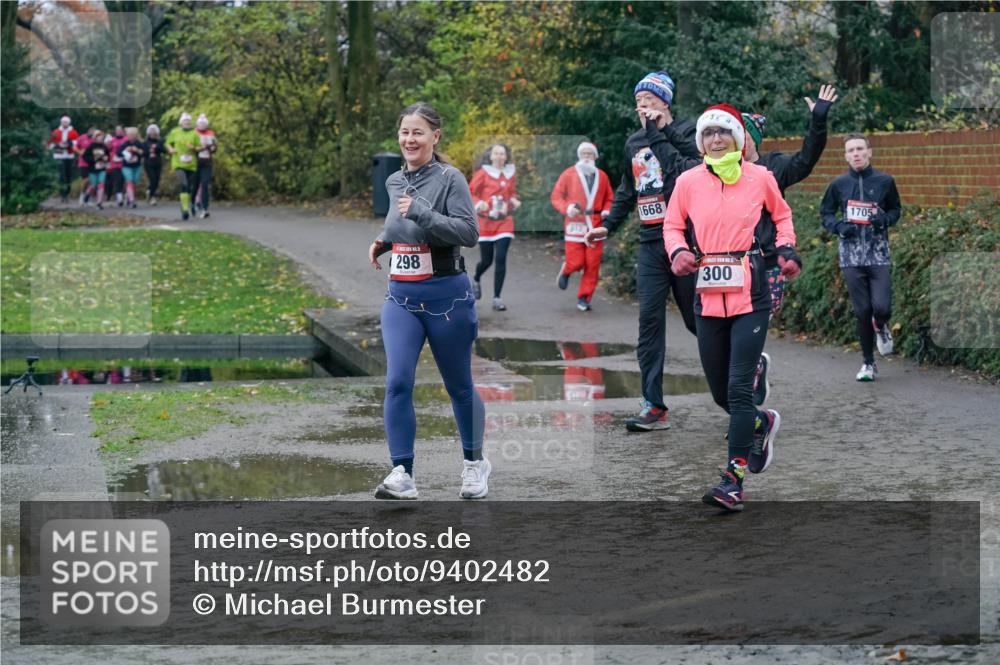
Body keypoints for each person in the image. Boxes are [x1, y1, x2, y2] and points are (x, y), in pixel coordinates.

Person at [663, 103, 801, 512]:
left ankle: (733, 480)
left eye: (724, 132)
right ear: (701, 141)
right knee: (721, 392)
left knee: (739, 389)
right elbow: (672, 225)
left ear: (738, 138)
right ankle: (762, 421)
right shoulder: (688, 182)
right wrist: (678, 252)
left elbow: (782, 217)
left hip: (750, 289)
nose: (716, 139)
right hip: (706, 291)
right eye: (709, 133)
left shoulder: (760, 178)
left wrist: (786, 250)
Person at [366, 102, 488, 500]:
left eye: (418, 132)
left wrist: (421, 212)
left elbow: (468, 232)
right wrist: (385, 241)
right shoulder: (394, 180)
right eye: (404, 132)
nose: (409, 140)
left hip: (447, 297)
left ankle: (474, 464)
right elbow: (401, 224)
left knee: (459, 387)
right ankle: (402, 472)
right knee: (398, 381)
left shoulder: (451, 179)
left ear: (435, 136)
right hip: (401, 296)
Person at [583, 70, 700, 431]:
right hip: (650, 244)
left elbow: (689, 173)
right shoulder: (634, 142)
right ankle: (654, 404)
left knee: (699, 322)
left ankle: (744, 374)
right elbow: (626, 188)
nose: (642, 105)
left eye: (648, 99)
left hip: (685, 241)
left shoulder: (687, 135)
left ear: (664, 101)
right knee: (649, 322)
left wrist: (659, 131)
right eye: (637, 100)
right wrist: (608, 224)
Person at [742, 84, 838, 405]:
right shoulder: (717, 173)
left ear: (751, 139)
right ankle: (750, 378)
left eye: (738, 132)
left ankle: (750, 392)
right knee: (733, 335)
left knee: (754, 326)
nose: (727, 139)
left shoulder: (775, 166)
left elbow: (807, 159)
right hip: (732, 264)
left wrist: (818, 121)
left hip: (769, 263)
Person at [821, 133, 902, 381]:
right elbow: (826, 213)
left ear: (869, 152)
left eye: (859, 149)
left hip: (878, 254)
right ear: (845, 156)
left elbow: (896, 209)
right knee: (862, 310)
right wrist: (838, 227)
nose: (855, 154)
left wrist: (885, 219)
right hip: (851, 257)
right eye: (851, 150)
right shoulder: (838, 185)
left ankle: (882, 325)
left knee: (882, 307)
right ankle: (868, 363)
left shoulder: (885, 181)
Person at [551, 141, 614, 311]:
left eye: (590, 154)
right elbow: (556, 197)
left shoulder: (602, 176)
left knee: (592, 264)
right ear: (579, 156)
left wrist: (607, 211)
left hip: (595, 225)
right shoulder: (568, 174)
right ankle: (567, 269)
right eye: (584, 154)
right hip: (575, 223)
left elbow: (610, 197)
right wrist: (567, 208)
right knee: (577, 261)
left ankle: (584, 297)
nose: (587, 157)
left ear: (595, 156)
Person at [470, 144, 520, 311]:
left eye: (502, 154)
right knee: (487, 260)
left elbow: (512, 193)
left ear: (506, 157)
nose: (499, 156)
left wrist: (513, 201)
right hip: (486, 221)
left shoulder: (510, 174)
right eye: (496, 154)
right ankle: (476, 278)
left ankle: (497, 298)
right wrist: (480, 203)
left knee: (500, 258)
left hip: (504, 222)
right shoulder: (483, 173)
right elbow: (471, 193)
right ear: (490, 156)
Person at [165, 113, 199, 221]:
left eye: (188, 121)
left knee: (189, 187)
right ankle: (185, 209)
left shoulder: (195, 133)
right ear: (181, 123)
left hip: (191, 164)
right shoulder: (175, 132)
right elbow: (167, 143)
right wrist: (170, 149)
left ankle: (185, 205)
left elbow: (200, 147)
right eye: (185, 121)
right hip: (178, 163)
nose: (187, 123)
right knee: (184, 184)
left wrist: (193, 147)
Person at [48, 116, 79, 203]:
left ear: (69, 123)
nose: (64, 124)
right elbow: (50, 143)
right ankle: (63, 194)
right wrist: (58, 145)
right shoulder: (56, 132)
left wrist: (69, 143)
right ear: (61, 123)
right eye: (63, 122)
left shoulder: (73, 132)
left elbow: (76, 142)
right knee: (62, 176)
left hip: (69, 156)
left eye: (66, 122)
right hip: (59, 156)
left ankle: (67, 192)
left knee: (68, 175)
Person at [194, 114, 218, 218]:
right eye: (200, 123)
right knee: (195, 184)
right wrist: (199, 148)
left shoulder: (211, 133)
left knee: (205, 183)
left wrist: (212, 148)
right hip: (195, 162)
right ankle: (194, 202)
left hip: (207, 162)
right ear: (197, 124)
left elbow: (215, 146)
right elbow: (189, 147)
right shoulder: (193, 133)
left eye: (204, 123)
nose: (202, 125)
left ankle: (205, 207)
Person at [117, 127, 145, 209]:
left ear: (135, 135)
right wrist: (126, 150)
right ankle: (132, 200)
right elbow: (118, 153)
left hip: (137, 166)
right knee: (129, 181)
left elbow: (144, 153)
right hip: (126, 166)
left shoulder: (139, 143)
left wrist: (137, 150)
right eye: (129, 134)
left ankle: (128, 195)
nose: (131, 136)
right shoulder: (125, 144)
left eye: (132, 134)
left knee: (134, 182)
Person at [81, 130, 109, 209]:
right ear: (95, 138)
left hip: (102, 168)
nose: (101, 138)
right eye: (99, 136)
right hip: (92, 169)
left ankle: (99, 203)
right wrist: (93, 160)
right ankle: (87, 194)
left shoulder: (104, 147)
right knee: (93, 185)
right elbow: (85, 156)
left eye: (102, 136)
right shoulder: (91, 146)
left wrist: (106, 159)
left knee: (101, 184)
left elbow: (108, 156)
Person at [143, 124, 165, 205]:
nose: (152, 133)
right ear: (148, 133)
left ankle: (149, 191)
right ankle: (152, 197)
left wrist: (157, 147)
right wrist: (149, 150)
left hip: (157, 162)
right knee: (152, 179)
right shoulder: (145, 142)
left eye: (154, 131)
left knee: (157, 180)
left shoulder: (160, 141)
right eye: (151, 131)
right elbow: (143, 153)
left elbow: (163, 150)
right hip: (148, 163)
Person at [106, 125, 127, 207]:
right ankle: (119, 198)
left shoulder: (126, 139)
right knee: (117, 180)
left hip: (125, 162)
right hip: (115, 163)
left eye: (120, 130)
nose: (118, 131)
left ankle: (127, 196)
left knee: (124, 180)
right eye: (117, 130)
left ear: (123, 131)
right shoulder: (112, 140)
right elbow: (108, 149)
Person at [75, 126, 95, 206]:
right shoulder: (82, 138)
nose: (92, 131)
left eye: (93, 130)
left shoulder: (95, 139)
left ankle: (87, 198)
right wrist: (79, 152)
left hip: (92, 162)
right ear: (88, 130)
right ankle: (81, 196)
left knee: (92, 181)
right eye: (90, 130)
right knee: (85, 180)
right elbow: (74, 147)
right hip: (83, 162)